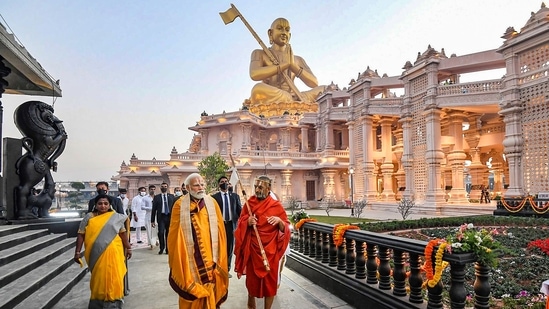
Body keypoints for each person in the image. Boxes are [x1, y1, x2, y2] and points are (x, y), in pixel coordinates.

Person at [167, 173, 229, 308]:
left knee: (212, 289)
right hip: (190, 259)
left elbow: (220, 232)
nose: (200, 187)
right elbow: (174, 235)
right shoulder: (179, 205)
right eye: (196, 185)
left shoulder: (212, 203)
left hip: (211, 258)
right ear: (188, 188)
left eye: (202, 184)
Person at [234, 175, 291, 309]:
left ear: (268, 188)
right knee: (252, 282)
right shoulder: (250, 203)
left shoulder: (276, 206)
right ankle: (251, 302)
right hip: (253, 250)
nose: (257, 190)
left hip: (271, 252)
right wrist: (247, 222)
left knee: (270, 283)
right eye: (255, 187)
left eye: (260, 187)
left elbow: (287, 226)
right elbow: (240, 222)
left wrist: (279, 222)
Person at [74, 194, 132, 309]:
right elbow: (81, 234)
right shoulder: (89, 217)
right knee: (99, 277)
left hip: (114, 251)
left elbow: (122, 233)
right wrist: (77, 252)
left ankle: (114, 301)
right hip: (96, 254)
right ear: (95, 205)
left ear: (110, 205)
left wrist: (128, 247)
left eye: (106, 203)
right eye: (100, 203)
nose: (103, 206)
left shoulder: (115, 217)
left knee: (114, 275)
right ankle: (98, 302)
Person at [249, 18, 325, 105]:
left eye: (287, 30)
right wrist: (284, 65)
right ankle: (291, 101)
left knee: (325, 89)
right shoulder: (260, 53)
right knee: (257, 89)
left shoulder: (297, 59)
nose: (284, 33)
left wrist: (293, 65)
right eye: (280, 28)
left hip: (297, 95)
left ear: (290, 35)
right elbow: (254, 74)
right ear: (270, 33)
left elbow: (314, 83)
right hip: (273, 94)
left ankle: (292, 100)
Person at [211, 176, 242, 277]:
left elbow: (240, 211)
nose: (224, 183)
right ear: (219, 184)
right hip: (219, 225)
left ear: (228, 184)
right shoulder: (214, 197)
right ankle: (218, 267)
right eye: (222, 182)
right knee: (219, 247)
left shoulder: (235, 196)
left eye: (226, 182)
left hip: (231, 225)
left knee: (229, 248)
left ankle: (226, 269)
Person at [152, 182, 175, 254]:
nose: (164, 188)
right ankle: (162, 247)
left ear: (167, 188)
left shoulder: (172, 196)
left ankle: (168, 249)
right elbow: (154, 209)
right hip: (161, 217)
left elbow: (174, 208)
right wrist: (152, 221)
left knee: (168, 233)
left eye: (165, 186)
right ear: (160, 188)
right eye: (162, 186)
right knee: (161, 233)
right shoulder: (156, 197)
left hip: (169, 217)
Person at [117, 188, 131, 296]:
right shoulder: (116, 200)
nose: (103, 206)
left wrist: (128, 246)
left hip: (124, 220)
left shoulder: (126, 200)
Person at [142, 184, 156, 250]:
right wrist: (151, 208)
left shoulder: (157, 197)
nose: (152, 190)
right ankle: (151, 243)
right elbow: (142, 207)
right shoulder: (145, 198)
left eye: (153, 189)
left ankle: (156, 241)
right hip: (148, 216)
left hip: (156, 216)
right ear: (149, 190)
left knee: (156, 230)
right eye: (151, 189)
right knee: (149, 230)